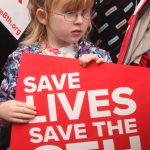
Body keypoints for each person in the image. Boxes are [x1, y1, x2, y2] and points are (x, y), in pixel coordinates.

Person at [0, 0, 112, 148]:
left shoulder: (99, 57)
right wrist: (2, 111)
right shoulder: (20, 59)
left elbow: (116, 112)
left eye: (85, 13)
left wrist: (102, 75)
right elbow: (4, 100)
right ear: (42, 16)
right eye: (70, 13)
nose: (79, 21)